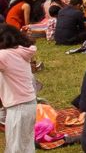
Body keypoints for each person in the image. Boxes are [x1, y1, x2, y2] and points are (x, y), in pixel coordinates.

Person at [0, 23, 38, 153]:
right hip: (28, 104)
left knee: (16, 148)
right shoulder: (20, 52)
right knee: (25, 146)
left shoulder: (4, 55)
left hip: (18, 107)